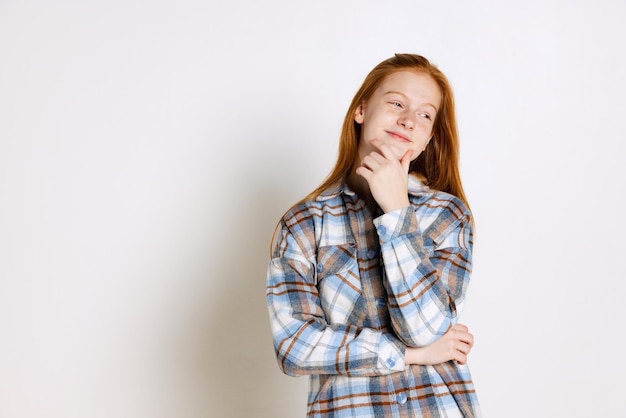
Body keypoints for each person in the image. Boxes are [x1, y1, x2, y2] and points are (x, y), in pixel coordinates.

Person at [266, 53, 481, 417]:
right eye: (396, 103)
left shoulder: (448, 215)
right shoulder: (304, 223)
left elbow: (424, 329)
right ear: (361, 110)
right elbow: (294, 347)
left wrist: (398, 210)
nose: (408, 120)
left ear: (428, 139)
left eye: (425, 114)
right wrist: (410, 356)